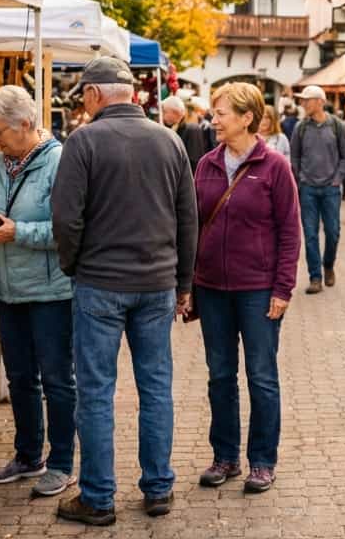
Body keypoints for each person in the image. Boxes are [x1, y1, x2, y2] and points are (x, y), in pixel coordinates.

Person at [50, 56, 198, 526]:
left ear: (94, 94)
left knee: (96, 392)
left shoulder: (84, 141)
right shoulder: (169, 140)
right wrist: (183, 283)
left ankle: (98, 497)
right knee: (156, 388)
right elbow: (187, 219)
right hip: (155, 283)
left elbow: (66, 219)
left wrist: (75, 265)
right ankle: (158, 488)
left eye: (84, 96)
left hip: (100, 283)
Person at [0, 85, 76, 498]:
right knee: (20, 377)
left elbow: (70, 229)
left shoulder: (60, 162)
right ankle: (29, 455)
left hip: (51, 291)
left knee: (58, 380)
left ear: (25, 124)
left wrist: (19, 232)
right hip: (9, 289)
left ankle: (63, 462)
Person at [193, 83, 300, 495]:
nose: (214, 120)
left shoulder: (274, 167)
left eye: (221, 113)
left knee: (261, 377)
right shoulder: (205, 164)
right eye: (214, 113)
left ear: (246, 118)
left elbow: (290, 232)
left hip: (258, 290)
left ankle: (262, 462)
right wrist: (190, 284)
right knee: (219, 376)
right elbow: (194, 226)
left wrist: (283, 289)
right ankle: (225, 457)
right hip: (213, 289)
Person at [289, 84, 345, 294]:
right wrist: (300, 179)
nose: (304, 103)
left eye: (308, 100)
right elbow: (294, 156)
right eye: (303, 100)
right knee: (310, 234)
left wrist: (337, 179)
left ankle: (328, 265)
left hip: (331, 189)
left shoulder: (336, 126)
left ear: (320, 102)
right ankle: (315, 277)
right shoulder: (301, 127)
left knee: (333, 232)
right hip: (308, 189)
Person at [162, 95, 209, 174]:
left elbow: (194, 160)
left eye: (165, 111)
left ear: (174, 112)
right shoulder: (177, 127)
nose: (163, 115)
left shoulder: (192, 129)